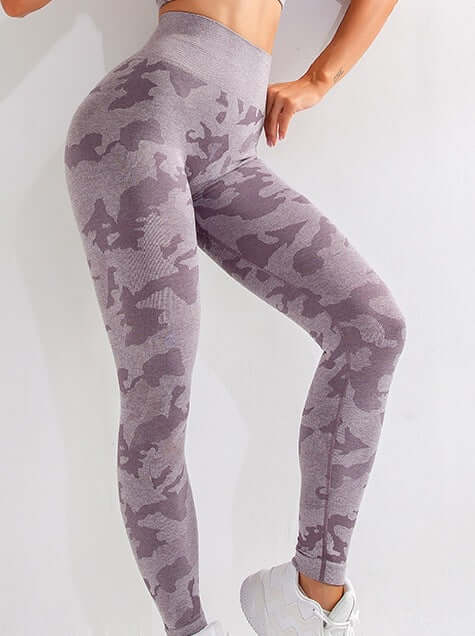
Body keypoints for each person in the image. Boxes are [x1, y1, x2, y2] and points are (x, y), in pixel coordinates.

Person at [3, 0, 405, 633]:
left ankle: (312, 598)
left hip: (232, 150)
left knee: (372, 326)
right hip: (140, 125)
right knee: (159, 397)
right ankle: (189, 627)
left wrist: (320, 78)